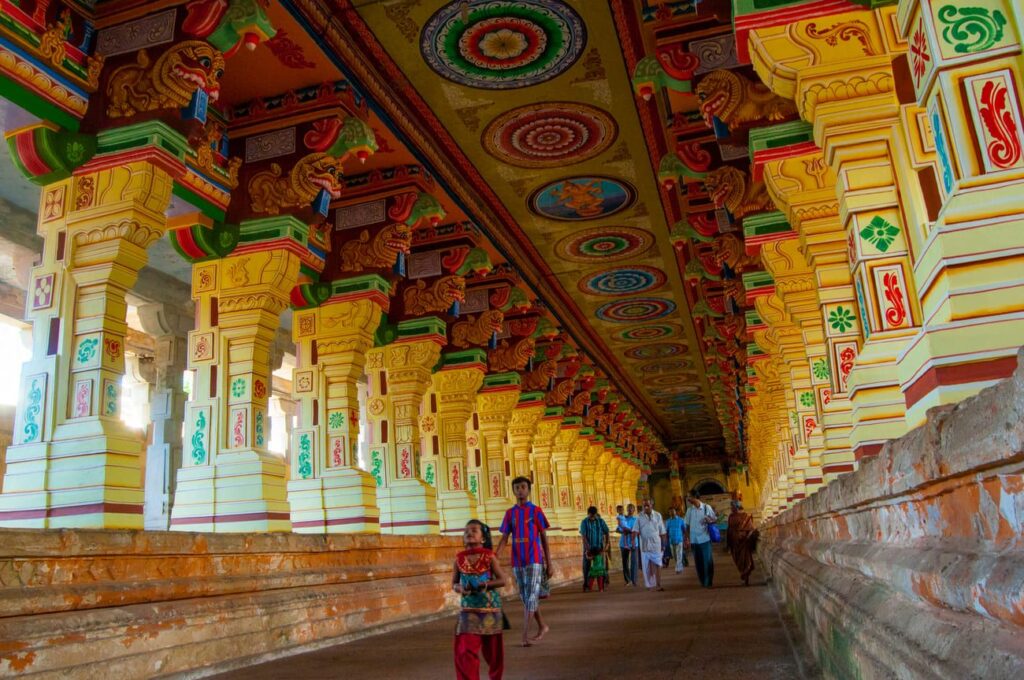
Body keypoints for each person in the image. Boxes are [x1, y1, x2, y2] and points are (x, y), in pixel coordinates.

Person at [496, 476, 552, 647]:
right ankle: (542, 626)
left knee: (531, 596)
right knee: (526, 597)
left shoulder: (536, 511)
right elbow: (505, 538)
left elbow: (543, 537)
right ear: (513, 491)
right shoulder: (509, 514)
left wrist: (549, 563)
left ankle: (525, 635)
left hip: (534, 558)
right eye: (517, 487)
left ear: (528, 490)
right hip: (518, 561)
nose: (520, 490)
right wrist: (494, 557)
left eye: (523, 487)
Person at [452, 520, 507, 680]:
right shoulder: (459, 559)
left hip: (490, 610)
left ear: (483, 538)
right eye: (466, 531)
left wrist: (484, 584)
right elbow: (454, 584)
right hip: (468, 611)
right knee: (464, 651)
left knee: (493, 654)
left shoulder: (489, 556)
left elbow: (502, 580)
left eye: (474, 530)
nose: (469, 533)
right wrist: (461, 589)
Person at [684, 492, 718, 588]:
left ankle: (708, 582)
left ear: (695, 497)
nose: (688, 499)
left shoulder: (707, 508)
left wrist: (709, 520)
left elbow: (715, 519)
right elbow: (687, 525)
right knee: (698, 562)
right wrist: (687, 539)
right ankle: (702, 581)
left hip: (705, 538)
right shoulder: (690, 510)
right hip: (694, 540)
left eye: (689, 496)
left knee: (707, 561)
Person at [634, 498, 666, 591]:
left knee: (658, 563)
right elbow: (635, 530)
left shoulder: (657, 515)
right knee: (646, 566)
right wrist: (632, 541)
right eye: (644, 505)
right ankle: (649, 584)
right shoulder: (639, 516)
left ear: (652, 505)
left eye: (648, 504)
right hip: (644, 545)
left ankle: (659, 584)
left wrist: (664, 544)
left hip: (656, 544)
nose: (646, 506)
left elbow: (662, 531)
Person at [726, 500, 758, 585]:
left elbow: (751, 528)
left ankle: (746, 576)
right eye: (731, 507)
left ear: (736, 507)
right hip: (734, 542)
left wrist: (747, 536)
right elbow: (729, 529)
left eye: (732, 506)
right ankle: (744, 574)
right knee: (737, 559)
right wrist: (728, 543)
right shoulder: (731, 516)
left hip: (743, 541)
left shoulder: (745, 516)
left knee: (745, 559)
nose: (731, 508)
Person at [579, 506, 610, 592]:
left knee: (600, 567)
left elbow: (607, 532)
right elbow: (584, 536)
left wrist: (607, 544)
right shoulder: (584, 522)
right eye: (591, 516)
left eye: (594, 516)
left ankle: (601, 586)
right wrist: (588, 549)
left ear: (596, 514)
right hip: (588, 548)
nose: (592, 518)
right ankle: (586, 585)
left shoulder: (600, 521)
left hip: (599, 548)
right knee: (587, 567)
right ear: (588, 514)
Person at [616, 503, 638, 586]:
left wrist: (631, 531)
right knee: (625, 562)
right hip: (623, 543)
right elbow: (617, 530)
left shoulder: (636, 520)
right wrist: (623, 531)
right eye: (628, 508)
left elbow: (638, 530)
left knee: (634, 562)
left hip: (634, 543)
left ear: (634, 510)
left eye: (631, 508)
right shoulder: (623, 518)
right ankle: (628, 580)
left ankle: (634, 580)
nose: (630, 510)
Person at [664, 506, 687, 574]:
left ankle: (678, 569)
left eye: (673, 511)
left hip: (679, 540)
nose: (671, 512)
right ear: (669, 513)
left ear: (675, 512)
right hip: (671, 541)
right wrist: (666, 541)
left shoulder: (681, 520)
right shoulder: (668, 521)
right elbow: (667, 532)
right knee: (674, 556)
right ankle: (680, 566)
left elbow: (684, 530)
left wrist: (686, 539)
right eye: (670, 511)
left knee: (679, 555)